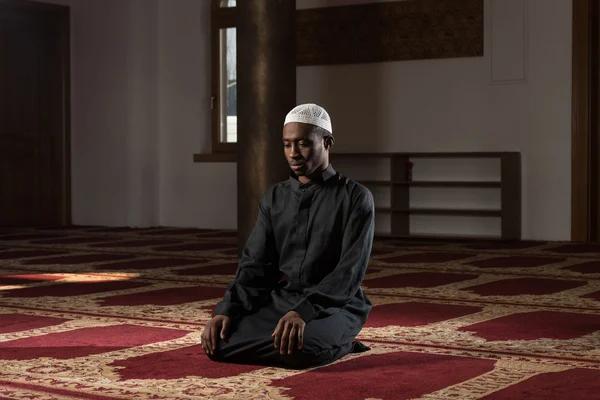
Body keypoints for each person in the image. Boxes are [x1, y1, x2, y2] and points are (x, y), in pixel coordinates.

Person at [201, 103, 375, 369]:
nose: (293, 154)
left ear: (327, 142)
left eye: (303, 144)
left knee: (299, 348)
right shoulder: (275, 196)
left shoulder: (355, 197)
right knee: (219, 343)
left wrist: (304, 312)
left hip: (336, 303)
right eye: (286, 145)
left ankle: (343, 340)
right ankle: (312, 341)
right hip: (284, 299)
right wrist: (228, 309)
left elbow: (349, 272)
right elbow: (256, 264)